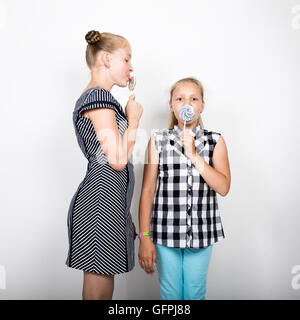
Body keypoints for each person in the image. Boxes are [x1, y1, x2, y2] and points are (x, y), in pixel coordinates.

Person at [66, 30, 143, 300]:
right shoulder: (97, 99)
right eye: (127, 59)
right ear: (107, 59)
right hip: (99, 204)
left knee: (101, 286)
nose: (131, 67)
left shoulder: (103, 100)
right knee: (98, 291)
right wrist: (133, 120)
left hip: (107, 203)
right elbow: (118, 160)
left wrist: (123, 212)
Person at [138, 77, 230, 300]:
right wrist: (144, 237)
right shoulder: (158, 140)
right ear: (171, 105)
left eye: (194, 98)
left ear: (202, 105)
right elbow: (148, 191)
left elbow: (223, 187)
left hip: (201, 234)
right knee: (170, 294)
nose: (187, 103)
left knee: (194, 294)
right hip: (165, 234)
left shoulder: (215, 141)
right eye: (180, 98)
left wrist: (194, 155)